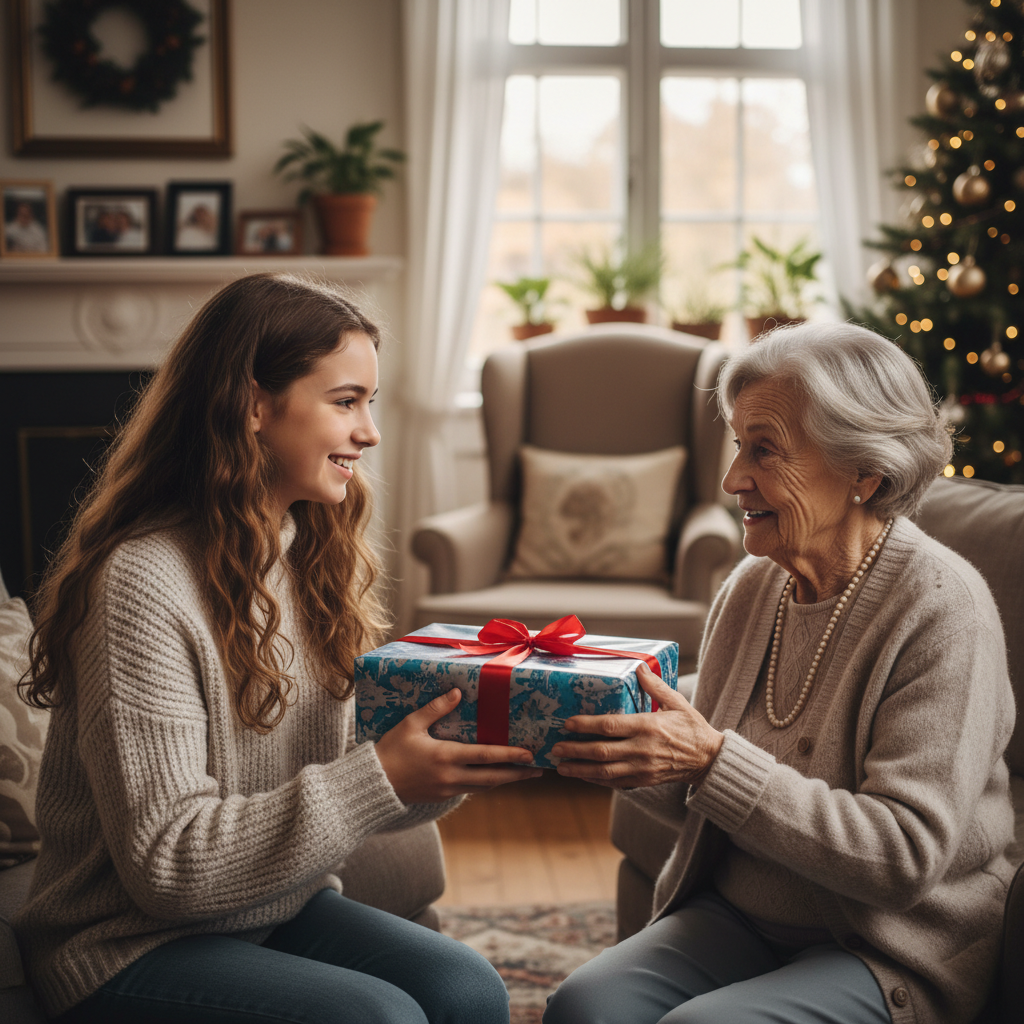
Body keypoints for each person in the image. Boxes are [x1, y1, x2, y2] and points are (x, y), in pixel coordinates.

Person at [14, 272, 542, 1024]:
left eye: (370, 402)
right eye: (346, 401)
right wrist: (380, 775)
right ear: (255, 405)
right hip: (124, 942)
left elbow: (354, 773)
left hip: (270, 905)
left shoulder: (309, 555)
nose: (370, 432)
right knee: (379, 1018)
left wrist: (456, 754)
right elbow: (170, 866)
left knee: (469, 989)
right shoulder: (141, 582)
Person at [543, 321, 1015, 1024]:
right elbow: (706, 797)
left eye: (765, 451)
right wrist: (631, 756)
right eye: (739, 444)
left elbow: (904, 859)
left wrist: (710, 762)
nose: (734, 479)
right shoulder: (753, 586)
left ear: (866, 472)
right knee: (585, 1005)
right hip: (743, 918)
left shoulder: (943, 610)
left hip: (885, 947)